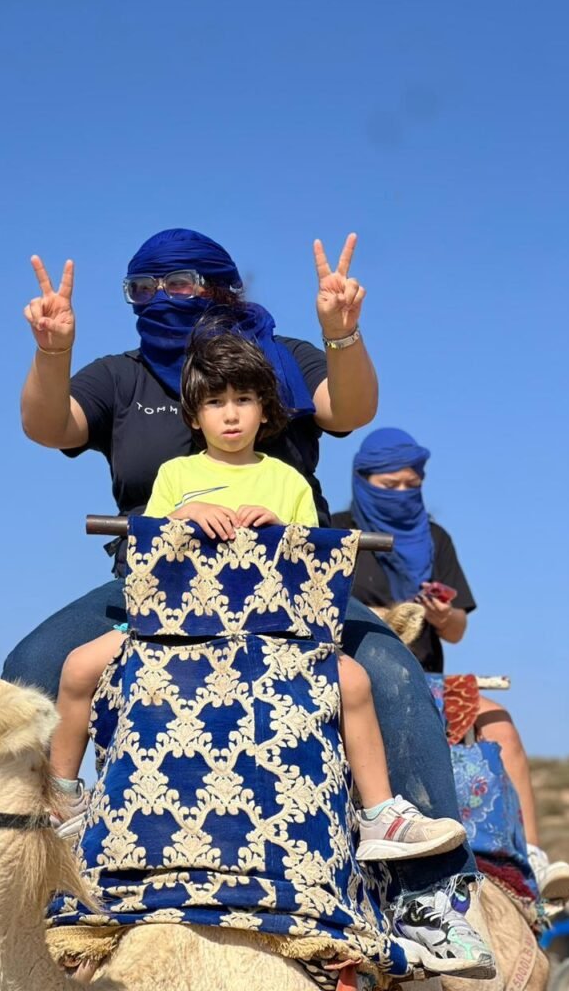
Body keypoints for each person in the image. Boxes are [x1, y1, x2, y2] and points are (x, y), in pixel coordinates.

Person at [4, 228, 494, 975]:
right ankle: (32, 876)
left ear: (223, 289)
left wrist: (342, 333)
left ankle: (427, 897)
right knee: (34, 665)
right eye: (145, 288)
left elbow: (348, 408)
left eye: (183, 284)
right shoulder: (121, 377)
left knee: (390, 677)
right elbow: (49, 427)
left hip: (285, 585)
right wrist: (51, 351)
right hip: (160, 585)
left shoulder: (282, 361)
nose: (164, 299)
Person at [49, 328, 467, 866]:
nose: (230, 415)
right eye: (215, 402)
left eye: (243, 400)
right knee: (78, 668)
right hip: (173, 633)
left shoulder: (289, 482)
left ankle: (379, 811)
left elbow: (315, 573)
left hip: (272, 637)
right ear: (193, 415)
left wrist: (279, 530)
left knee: (356, 681)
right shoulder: (176, 475)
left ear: (265, 412)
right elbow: (146, 552)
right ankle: (63, 796)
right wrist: (181, 517)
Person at [332, 426, 569, 903]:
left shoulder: (433, 538)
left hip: (426, 678)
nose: (402, 494)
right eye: (389, 485)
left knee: (498, 723)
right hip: (357, 674)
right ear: (364, 480)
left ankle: (532, 856)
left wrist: (443, 616)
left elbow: (459, 628)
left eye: (410, 484)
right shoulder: (338, 532)